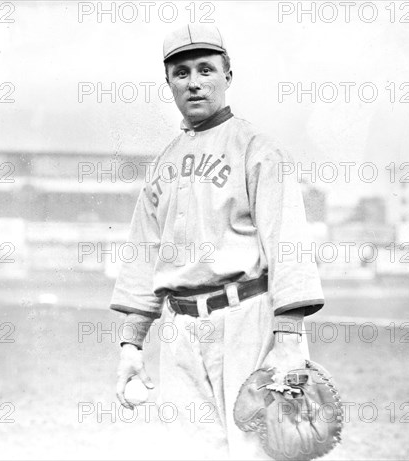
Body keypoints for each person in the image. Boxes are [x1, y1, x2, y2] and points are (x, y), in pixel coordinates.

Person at [110, 24, 324, 458]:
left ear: (228, 75)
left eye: (205, 69)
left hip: (247, 317)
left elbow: (288, 242)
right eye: (181, 72)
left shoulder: (258, 149)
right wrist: (132, 344)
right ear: (168, 83)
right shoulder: (163, 163)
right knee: (188, 451)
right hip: (181, 328)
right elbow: (143, 255)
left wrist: (288, 339)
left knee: (260, 449)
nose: (193, 82)